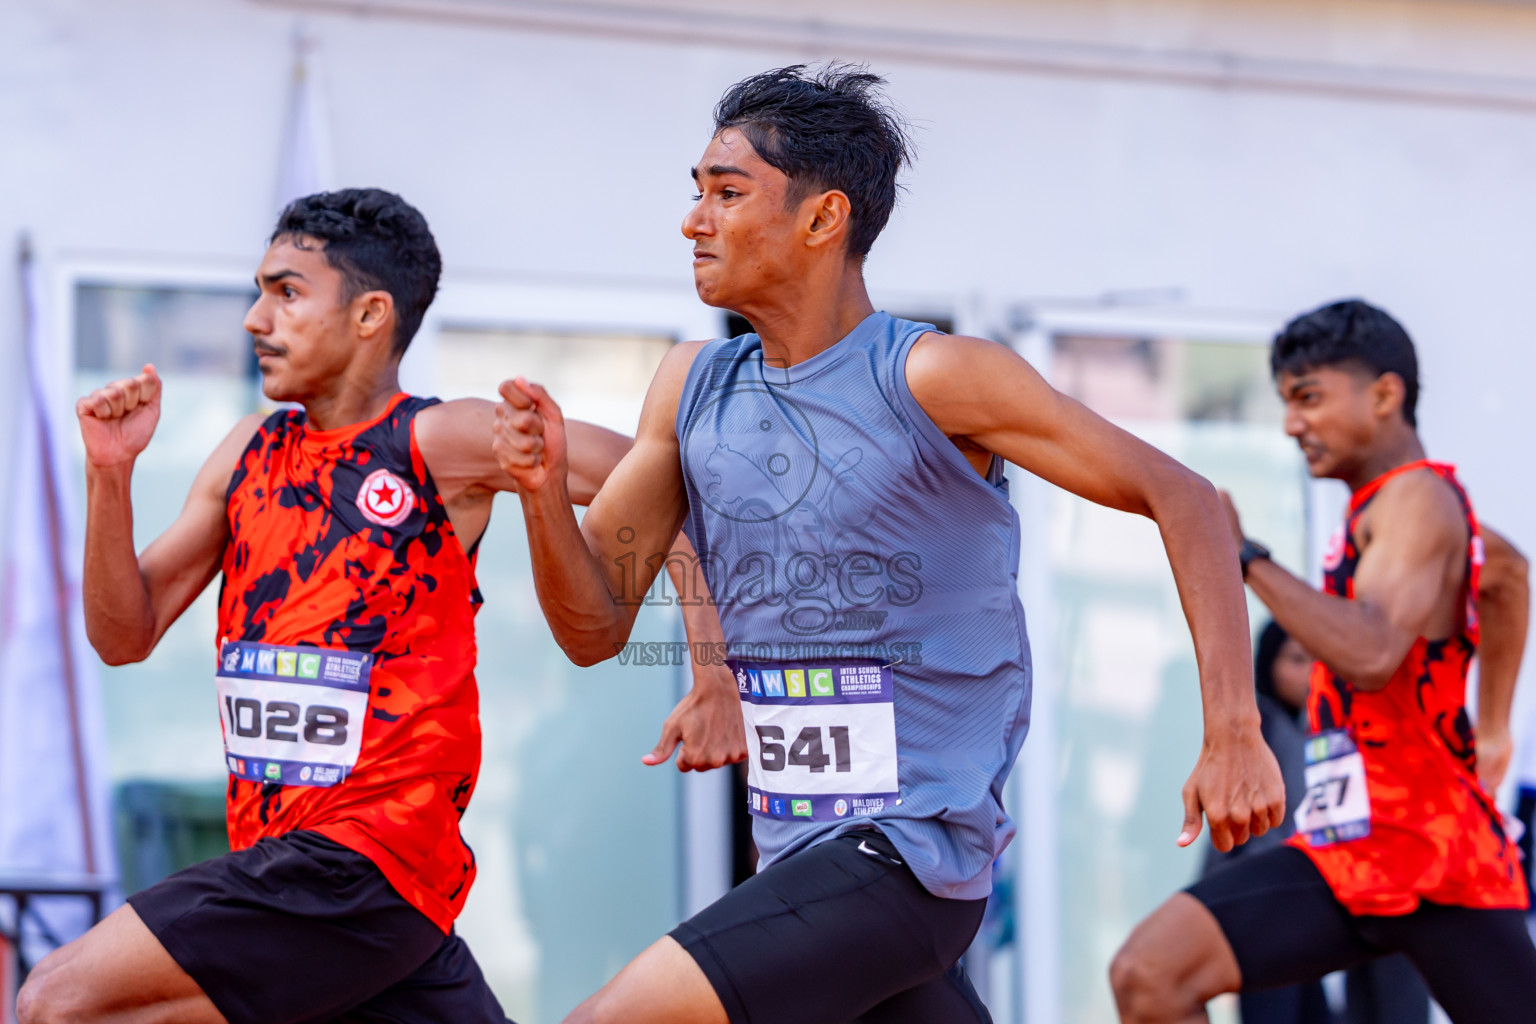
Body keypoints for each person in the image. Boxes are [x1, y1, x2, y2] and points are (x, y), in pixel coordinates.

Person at [490, 64, 1284, 1024]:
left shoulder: (938, 378)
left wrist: (1234, 731)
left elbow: (1185, 496)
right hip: (794, 850)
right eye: (693, 194)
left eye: (727, 194)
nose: (693, 221)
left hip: (906, 857)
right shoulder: (689, 387)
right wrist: (539, 497)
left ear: (823, 220)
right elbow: (593, 627)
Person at [16, 188, 741, 1024]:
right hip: (329, 891)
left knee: (56, 1001)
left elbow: (668, 492)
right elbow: (122, 634)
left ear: (369, 315)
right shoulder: (246, 454)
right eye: (259, 291)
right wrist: (110, 476)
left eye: (286, 292)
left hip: (363, 863)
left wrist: (714, 676)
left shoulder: (441, 439)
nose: (255, 319)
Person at [1110, 299, 1536, 1024]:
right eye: (1284, 402)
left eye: (1308, 398)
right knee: (1149, 973)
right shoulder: (1395, 510)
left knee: (1152, 972)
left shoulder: (1418, 497)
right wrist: (1492, 722)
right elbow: (1507, 575)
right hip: (1348, 851)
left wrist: (1245, 557)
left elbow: (1371, 651)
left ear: (1384, 394)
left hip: (1433, 861)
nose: (1290, 424)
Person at [1201, 621, 1335, 1024]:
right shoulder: (1257, 733)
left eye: (1317, 661)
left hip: (1300, 913)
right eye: (1297, 660)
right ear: (1267, 663)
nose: (1311, 673)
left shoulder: (1307, 731)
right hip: (1266, 909)